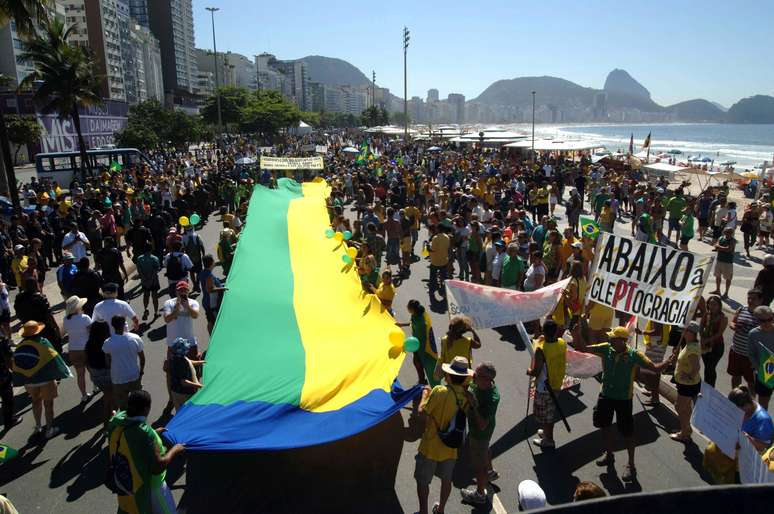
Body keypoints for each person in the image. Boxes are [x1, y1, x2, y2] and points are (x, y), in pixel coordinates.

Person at [573, 325, 675, 481]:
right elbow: (582, 349)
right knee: (605, 426)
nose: (610, 339)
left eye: (613, 337)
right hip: (606, 395)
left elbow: (655, 368)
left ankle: (631, 465)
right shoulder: (605, 348)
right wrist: (577, 334)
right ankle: (609, 453)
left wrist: (668, 361)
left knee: (628, 433)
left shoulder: (635, 355)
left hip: (623, 400)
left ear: (622, 341)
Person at [107, 390, 185, 514]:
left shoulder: (118, 421)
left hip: (126, 484)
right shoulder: (144, 433)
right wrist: (175, 449)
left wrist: (154, 432)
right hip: (150, 486)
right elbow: (157, 467)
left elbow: (130, 440)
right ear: (146, 409)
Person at [414, 356, 472, 514]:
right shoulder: (467, 396)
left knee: (422, 481)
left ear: (448, 375)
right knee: (446, 480)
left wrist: (425, 394)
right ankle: (441, 510)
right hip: (451, 447)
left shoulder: (439, 391)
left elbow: (421, 413)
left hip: (431, 446)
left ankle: (423, 511)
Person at [12, 321, 71, 438]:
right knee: (48, 405)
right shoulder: (44, 343)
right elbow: (55, 359)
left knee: (35, 401)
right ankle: (49, 429)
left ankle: (38, 426)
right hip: (46, 380)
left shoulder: (20, 347)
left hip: (30, 382)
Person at [703, 385, 774, 484]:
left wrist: (747, 439)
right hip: (732, 449)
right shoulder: (742, 409)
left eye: (737, 411)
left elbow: (763, 446)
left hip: (747, 461)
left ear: (746, 405)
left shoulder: (763, 420)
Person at [459, 362, 500, 505]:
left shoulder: (492, 397)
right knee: (484, 451)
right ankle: (490, 472)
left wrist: (473, 404)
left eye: (477, 375)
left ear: (488, 379)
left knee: (478, 465)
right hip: (478, 433)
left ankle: (480, 494)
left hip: (480, 433)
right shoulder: (479, 384)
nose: (473, 376)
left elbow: (482, 425)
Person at [528, 320, 567, 449]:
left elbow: (535, 371)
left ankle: (548, 440)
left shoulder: (541, 350)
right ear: (556, 331)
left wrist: (529, 371)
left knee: (546, 416)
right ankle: (546, 433)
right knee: (549, 412)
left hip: (545, 387)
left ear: (543, 331)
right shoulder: (562, 343)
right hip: (556, 383)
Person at [103, 315, 145, 410]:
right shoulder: (135, 338)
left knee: (123, 407)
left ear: (113, 326)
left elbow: (108, 362)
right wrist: (141, 371)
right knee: (137, 403)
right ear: (124, 324)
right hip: (134, 375)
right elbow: (142, 358)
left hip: (118, 378)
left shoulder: (108, 343)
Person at [670, 321, 702, 442]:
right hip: (687, 384)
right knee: (686, 407)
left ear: (691, 333)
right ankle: (686, 428)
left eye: (684, 330)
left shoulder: (692, 348)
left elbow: (696, 367)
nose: (682, 332)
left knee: (678, 407)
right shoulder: (689, 345)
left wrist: (688, 376)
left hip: (687, 385)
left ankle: (684, 433)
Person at [397, 300, 439, 386]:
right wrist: (402, 324)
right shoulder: (417, 314)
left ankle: (423, 382)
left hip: (423, 348)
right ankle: (422, 380)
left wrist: (417, 350)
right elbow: (412, 323)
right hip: (417, 344)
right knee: (417, 362)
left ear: (412, 309)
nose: (406, 308)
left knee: (420, 364)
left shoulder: (421, 322)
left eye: (408, 307)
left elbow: (421, 337)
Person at [728, 289, 762, 389]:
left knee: (751, 381)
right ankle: (735, 398)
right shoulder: (742, 309)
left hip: (750, 356)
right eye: (749, 298)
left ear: (761, 300)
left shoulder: (763, 315)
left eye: (754, 299)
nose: (750, 301)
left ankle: (751, 401)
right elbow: (732, 322)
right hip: (736, 351)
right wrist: (733, 326)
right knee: (735, 377)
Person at [62, 296, 94, 403]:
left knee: (80, 374)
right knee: (92, 370)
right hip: (86, 348)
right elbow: (91, 332)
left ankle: (84, 395)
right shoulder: (85, 318)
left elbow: (64, 332)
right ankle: (96, 387)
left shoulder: (66, 320)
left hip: (73, 350)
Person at [434, 315, 481, 381]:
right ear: (465, 330)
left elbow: (442, 356)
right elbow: (478, 345)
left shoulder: (444, 340)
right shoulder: (468, 341)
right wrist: (473, 331)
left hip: (449, 373)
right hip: (463, 374)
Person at [85, 320, 113, 423]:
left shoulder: (89, 343)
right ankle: (107, 420)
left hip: (95, 374)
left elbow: (86, 360)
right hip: (107, 372)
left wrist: (91, 372)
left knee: (106, 393)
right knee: (109, 398)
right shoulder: (107, 343)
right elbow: (108, 361)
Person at [747, 305, 774, 410]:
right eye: (763, 321)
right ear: (757, 320)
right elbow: (751, 354)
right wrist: (760, 370)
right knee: (763, 403)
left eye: (770, 319)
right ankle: (763, 424)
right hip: (764, 373)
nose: (767, 323)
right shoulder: (753, 334)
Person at [168, 338, 204, 411]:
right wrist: (200, 386)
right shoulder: (181, 364)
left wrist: (202, 362)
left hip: (175, 391)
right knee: (184, 412)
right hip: (183, 394)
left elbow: (189, 362)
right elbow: (184, 382)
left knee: (179, 411)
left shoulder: (176, 357)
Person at [700, 295, 728, 387]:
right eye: (710, 304)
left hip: (717, 346)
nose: (712, 306)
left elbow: (719, 333)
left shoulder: (723, 318)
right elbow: (701, 326)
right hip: (705, 345)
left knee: (711, 367)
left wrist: (707, 339)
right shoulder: (706, 314)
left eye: (714, 304)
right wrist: (702, 338)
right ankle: (706, 386)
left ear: (719, 305)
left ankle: (710, 387)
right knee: (707, 367)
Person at [198, 254, 226, 334]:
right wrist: (223, 288)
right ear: (211, 262)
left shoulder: (203, 272)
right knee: (215, 321)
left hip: (207, 302)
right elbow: (210, 289)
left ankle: (211, 337)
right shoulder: (208, 275)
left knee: (210, 321)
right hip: (212, 303)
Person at [1, 337, 22, 431]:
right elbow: (8, 358)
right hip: (2, 376)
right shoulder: (1, 341)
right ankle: (9, 421)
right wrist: (15, 371)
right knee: (7, 399)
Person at [136, 247, 161, 320]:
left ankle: (146, 309)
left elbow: (139, 270)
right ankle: (156, 312)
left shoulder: (139, 258)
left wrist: (144, 278)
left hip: (144, 281)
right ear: (151, 250)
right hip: (154, 281)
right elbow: (156, 269)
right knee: (155, 297)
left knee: (146, 296)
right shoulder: (154, 258)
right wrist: (150, 278)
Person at [711, 226, 736, 298]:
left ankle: (726, 292)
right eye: (726, 232)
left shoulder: (733, 240)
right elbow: (715, 246)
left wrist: (719, 247)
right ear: (724, 232)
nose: (728, 233)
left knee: (728, 278)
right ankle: (717, 289)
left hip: (728, 262)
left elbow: (729, 249)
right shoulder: (721, 238)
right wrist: (722, 248)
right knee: (717, 276)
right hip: (719, 260)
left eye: (730, 232)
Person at [428, 224, 450, 298]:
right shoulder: (447, 237)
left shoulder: (435, 238)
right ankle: (444, 291)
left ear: (438, 229)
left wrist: (428, 248)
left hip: (435, 261)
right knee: (444, 277)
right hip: (444, 260)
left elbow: (433, 249)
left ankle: (431, 291)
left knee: (433, 277)